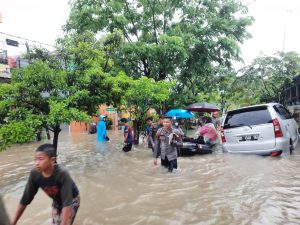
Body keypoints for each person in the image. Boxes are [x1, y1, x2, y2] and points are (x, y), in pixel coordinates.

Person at [11, 144, 80, 225]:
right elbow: (25, 200)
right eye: (35, 159)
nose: (37, 163)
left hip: (72, 199)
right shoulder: (35, 174)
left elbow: (67, 203)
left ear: (52, 160)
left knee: (64, 222)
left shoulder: (62, 173)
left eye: (40, 159)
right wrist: (13, 222)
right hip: (57, 201)